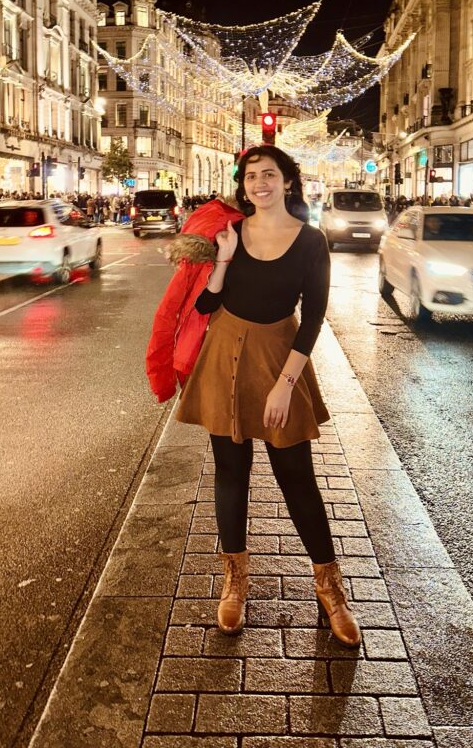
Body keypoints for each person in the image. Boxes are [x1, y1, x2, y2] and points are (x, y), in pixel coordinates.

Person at [172, 145, 360, 647]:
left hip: (280, 359)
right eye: (252, 176)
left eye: (269, 174)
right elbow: (208, 301)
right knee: (230, 472)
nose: (260, 183)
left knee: (297, 477)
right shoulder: (229, 234)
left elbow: (315, 315)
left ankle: (330, 588)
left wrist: (286, 382)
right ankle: (235, 580)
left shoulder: (310, 241)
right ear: (244, 184)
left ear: (288, 181)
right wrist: (224, 259)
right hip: (224, 355)